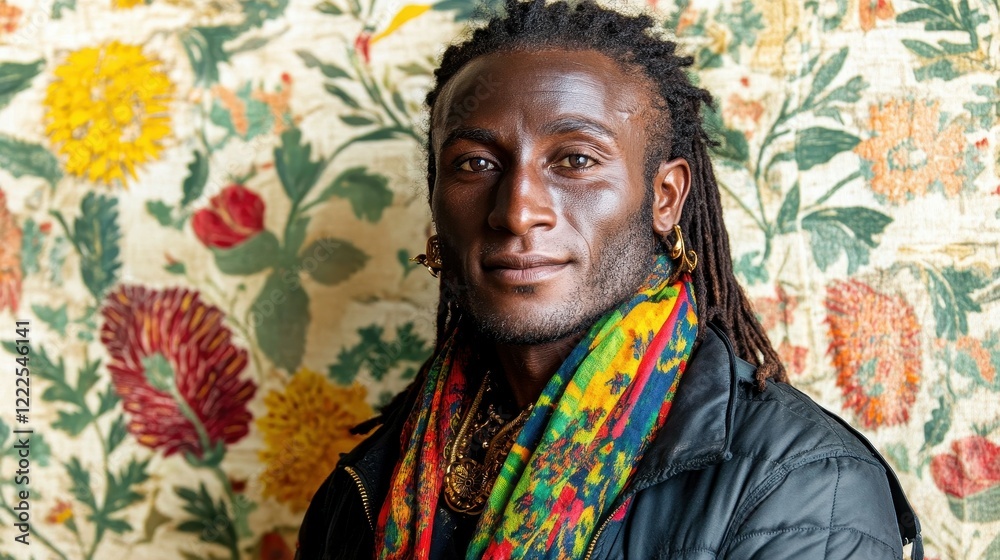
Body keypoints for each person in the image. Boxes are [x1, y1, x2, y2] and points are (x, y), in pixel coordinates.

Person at [296, 1, 923, 558]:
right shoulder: (369, 484)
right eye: (476, 163)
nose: (517, 211)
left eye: (575, 160)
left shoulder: (802, 486)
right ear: (435, 201)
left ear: (666, 197)